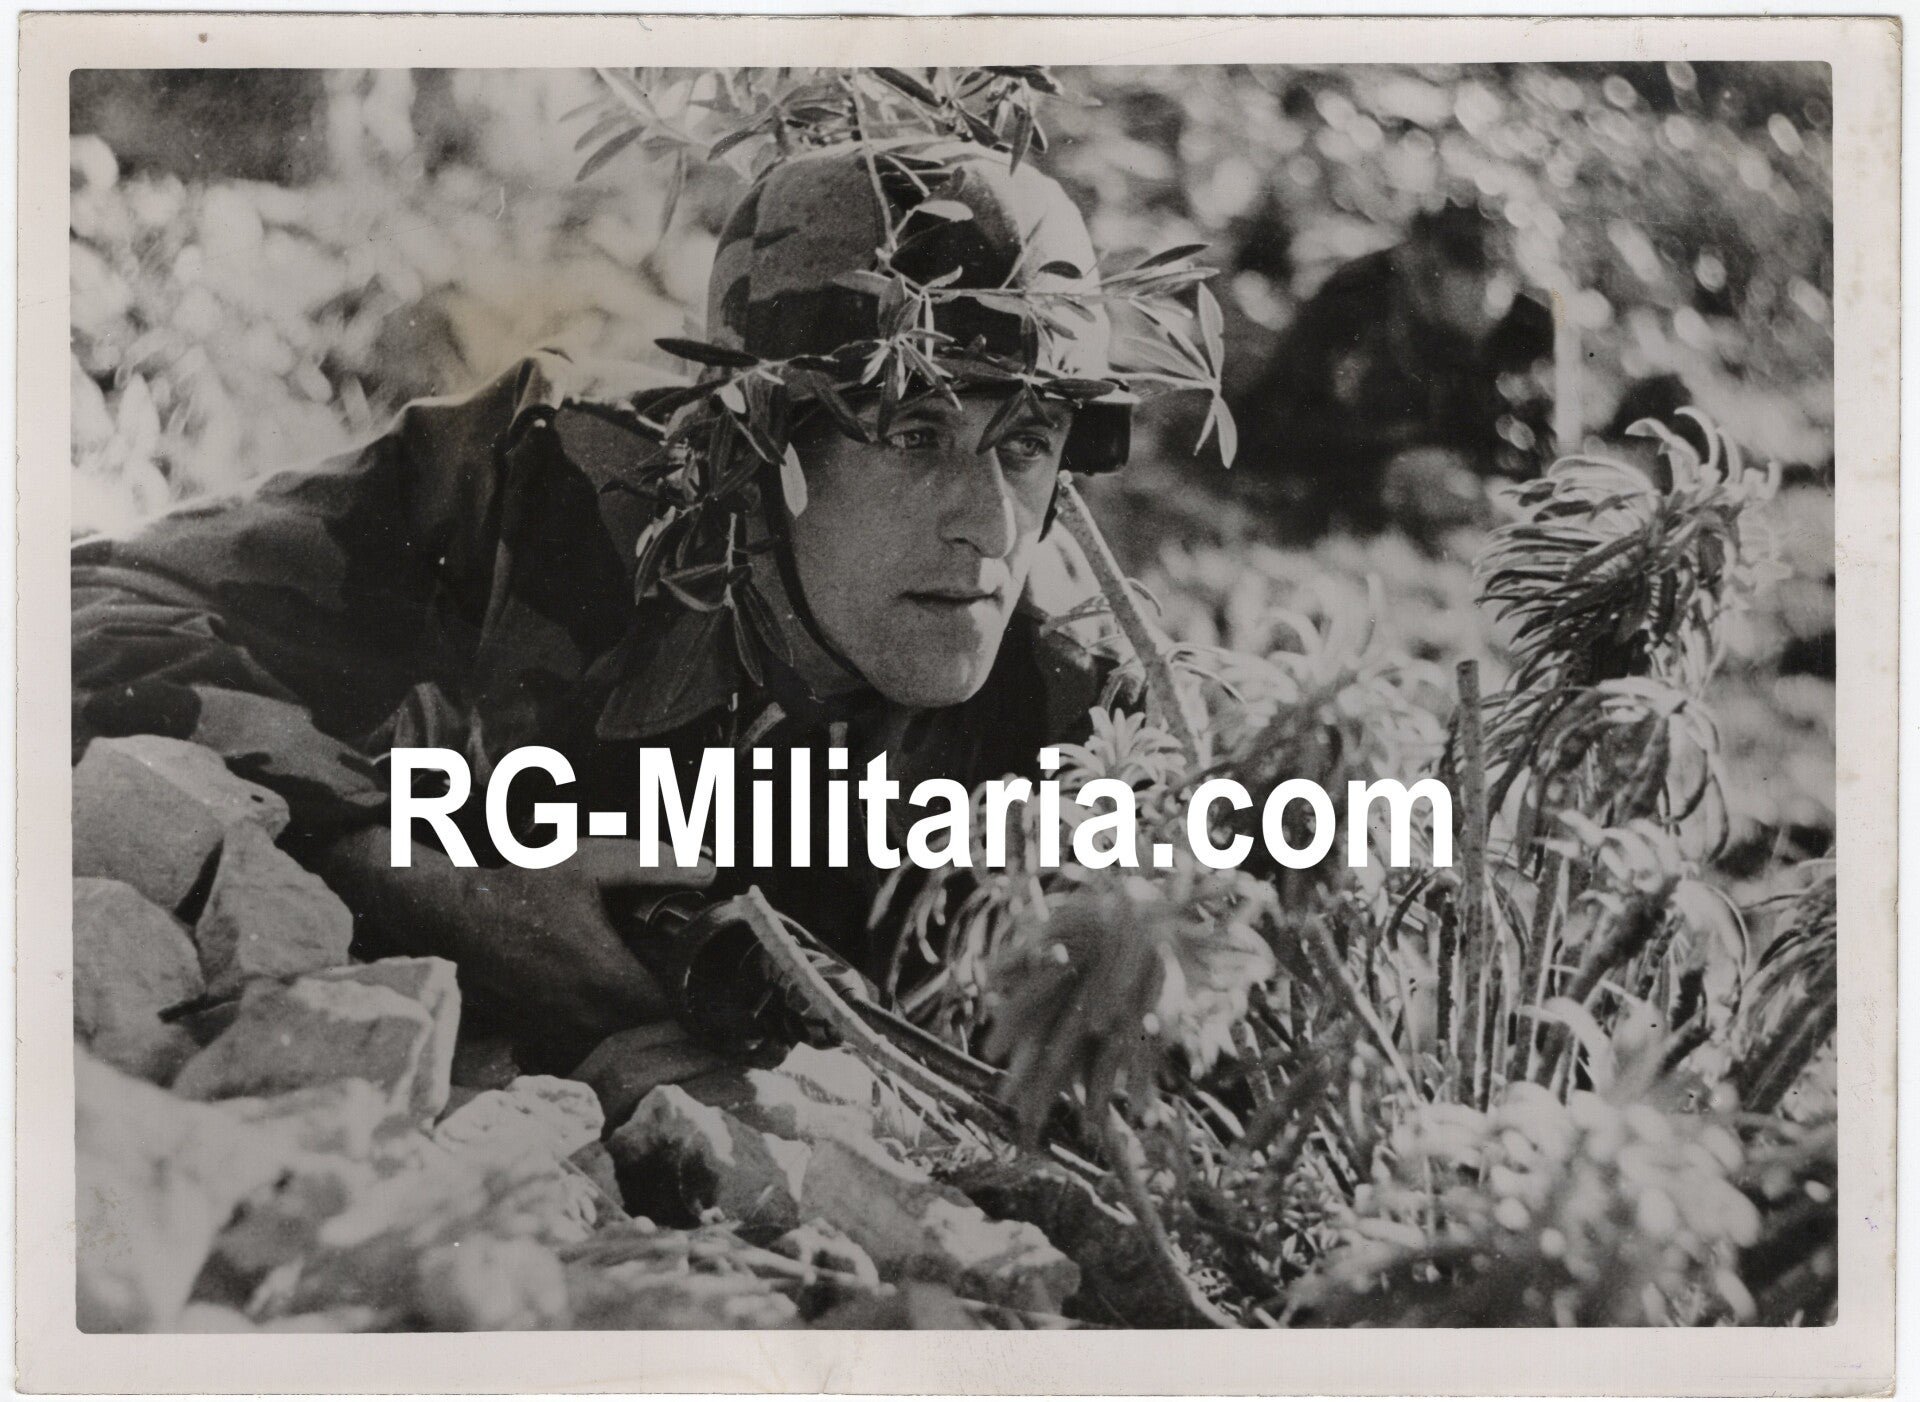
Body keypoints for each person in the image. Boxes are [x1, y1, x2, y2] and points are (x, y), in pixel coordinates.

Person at [72, 138, 1173, 1095]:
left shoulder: (1069, 718)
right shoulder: (535, 498)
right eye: (917, 434)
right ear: (757, 437)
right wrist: (418, 871)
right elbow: (82, 617)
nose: (986, 526)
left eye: (1025, 444)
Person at [1231, 201, 1554, 539]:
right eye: (1468, 260)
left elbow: (1541, 455)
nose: (1489, 287)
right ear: (1418, 257)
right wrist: (1387, 466)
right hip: (1363, 478)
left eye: (1503, 268)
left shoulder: (1528, 325)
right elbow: (1268, 426)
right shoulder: (1355, 300)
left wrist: (1488, 485)